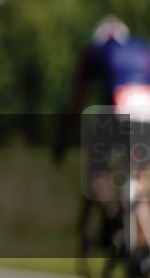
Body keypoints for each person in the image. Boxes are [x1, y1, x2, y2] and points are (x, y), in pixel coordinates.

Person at [58, 16, 150, 275]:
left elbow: (78, 99)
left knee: (97, 169)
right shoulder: (142, 46)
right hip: (147, 110)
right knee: (140, 177)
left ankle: (112, 211)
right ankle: (143, 235)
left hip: (121, 108)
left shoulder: (95, 50)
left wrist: (62, 142)